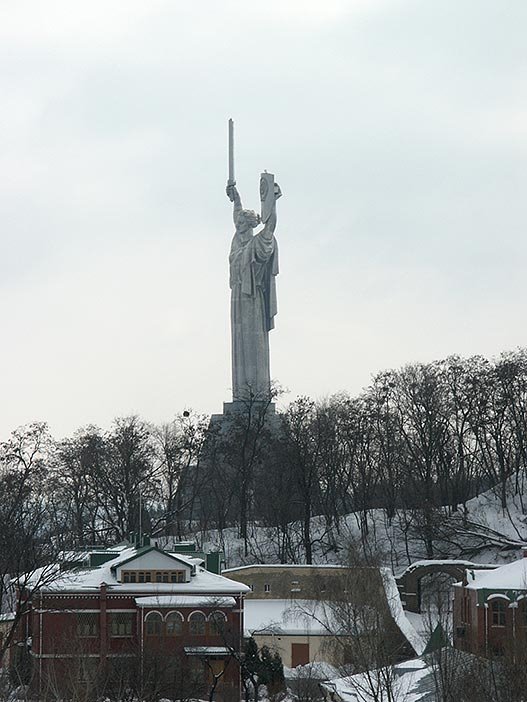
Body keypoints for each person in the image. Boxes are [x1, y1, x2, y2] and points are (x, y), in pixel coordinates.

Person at [226, 182, 280, 402]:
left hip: (252, 300)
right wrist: (236, 195)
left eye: (241, 222)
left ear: (249, 224)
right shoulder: (238, 240)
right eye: (237, 221)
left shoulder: (258, 243)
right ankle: (240, 394)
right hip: (238, 298)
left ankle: (256, 394)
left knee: (253, 344)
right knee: (239, 343)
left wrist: (272, 203)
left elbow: (270, 228)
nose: (237, 224)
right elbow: (236, 211)